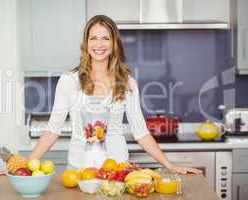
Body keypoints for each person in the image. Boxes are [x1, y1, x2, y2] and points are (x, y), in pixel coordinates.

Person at [29, 15, 201, 174]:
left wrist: (169, 165)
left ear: (114, 43)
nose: (99, 44)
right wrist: (24, 167)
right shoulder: (69, 81)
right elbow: (52, 130)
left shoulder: (127, 82)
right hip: (78, 170)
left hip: (117, 170)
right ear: (86, 43)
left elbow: (140, 131)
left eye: (106, 38)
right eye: (93, 38)